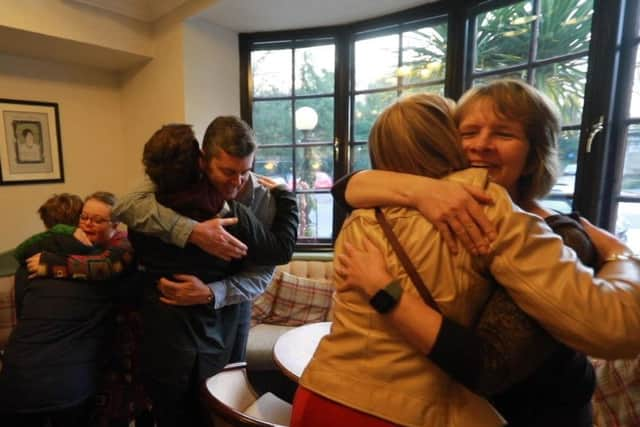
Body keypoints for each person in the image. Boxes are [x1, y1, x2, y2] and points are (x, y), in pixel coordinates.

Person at [291, 92, 640, 427]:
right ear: (446, 139)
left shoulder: (553, 232)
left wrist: (385, 289)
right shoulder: (452, 204)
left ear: (535, 154)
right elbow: (346, 186)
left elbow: (489, 363)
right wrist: (424, 189)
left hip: (536, 411)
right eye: (468, 132)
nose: (480, 145)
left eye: (503, 134)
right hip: (411, 410)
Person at [116, 122, 298, 426]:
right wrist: (192, 232)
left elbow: (265, 270)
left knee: (224, 390)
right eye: (227, 172)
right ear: (203, 160)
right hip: (170, 311)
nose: (237, 182)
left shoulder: (261, 200)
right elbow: (125, 207)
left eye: (245, 171)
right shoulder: (173, 183)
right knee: (175, 394)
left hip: (231, 305)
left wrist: (213, 292)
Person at [0, 192, 134, 427]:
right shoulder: (106, 269)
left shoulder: (35, 261)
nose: (89, 223)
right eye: (84, 217)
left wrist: (55, 264)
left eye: (98, 220)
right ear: (75, 222)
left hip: (17, 377)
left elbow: (107, 266)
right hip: (71, 382)